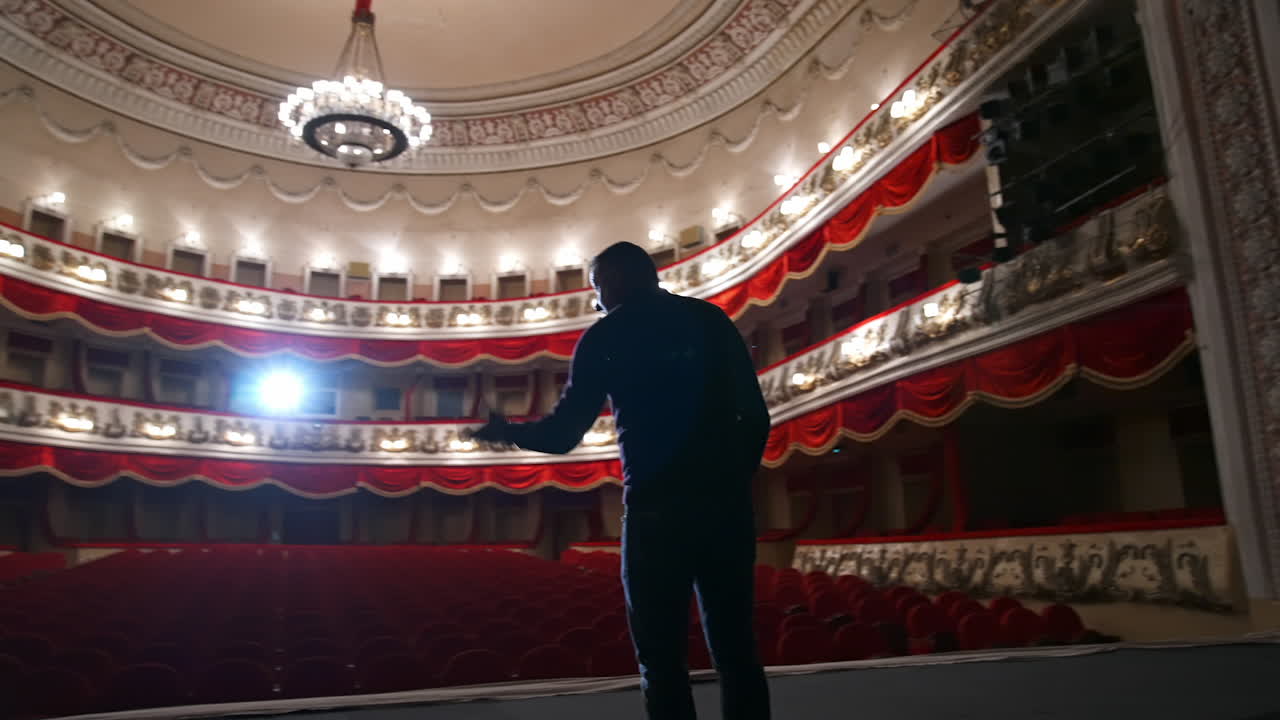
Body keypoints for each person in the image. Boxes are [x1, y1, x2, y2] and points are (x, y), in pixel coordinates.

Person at [473, 241, 772, 720]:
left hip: (656, 513)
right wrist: (732, 482)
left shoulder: (606, 336)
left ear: (610, 281)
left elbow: (563, 435)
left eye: (596, 288)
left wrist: (505, 431)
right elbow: (755, 417)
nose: (597, 300)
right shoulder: (710, 320)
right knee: (737, 650)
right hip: (725, 509)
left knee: (661, 659)